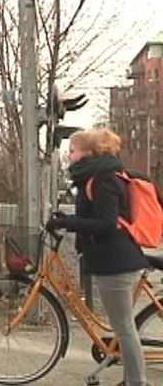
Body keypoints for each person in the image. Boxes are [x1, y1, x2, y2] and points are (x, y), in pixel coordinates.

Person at [46, 128, 150, 386]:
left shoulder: (103, 179)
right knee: (122, 327)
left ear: (89, 153)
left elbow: (106, 223)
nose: (69, 156)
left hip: (116, 262)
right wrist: (69, 220)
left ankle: (137, 382)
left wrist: (69, 223)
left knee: (124, 328)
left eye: (73, 151)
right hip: (111, 259)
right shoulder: (94, 177)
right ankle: (131, 380)